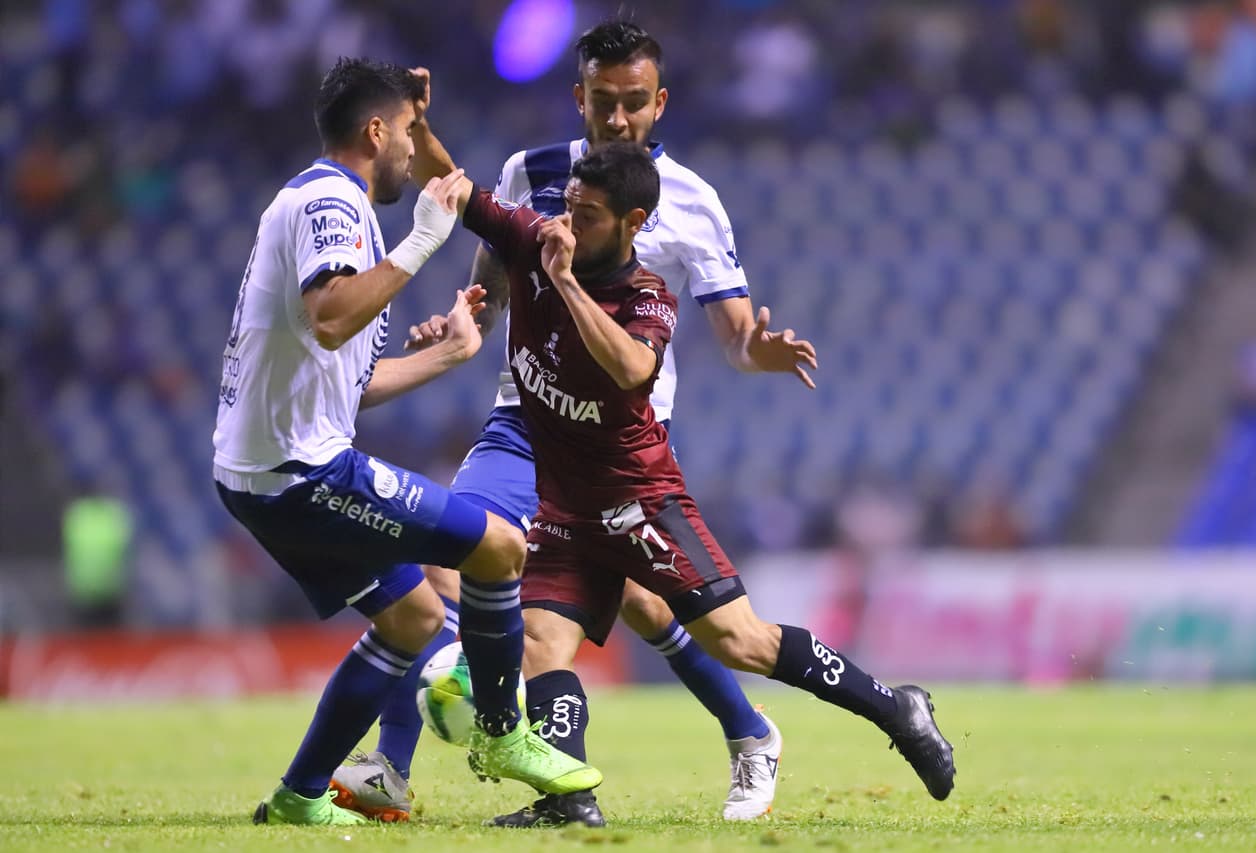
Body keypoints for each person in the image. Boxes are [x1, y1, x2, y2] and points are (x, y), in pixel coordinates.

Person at [335, 20, 817, 826]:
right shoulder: (531, 172)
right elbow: (488, 273)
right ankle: (392, 764)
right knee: (452, 552)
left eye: (635, 101)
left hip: (620, 447)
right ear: (579, 97)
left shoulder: (693, 200)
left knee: (648, 606)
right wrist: (464, 318)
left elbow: (735, 337)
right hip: (524, 421)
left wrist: (757, 351)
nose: (618, 117)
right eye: (603, 100)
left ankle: (749, 729)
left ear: (660, 102)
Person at [409, 131, 957, 825]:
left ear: (633, 223)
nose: (569, 225)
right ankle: (569, 798)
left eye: (588, 216)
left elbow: (632, 369)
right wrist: (413, 124)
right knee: (543, 643)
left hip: (640, 502)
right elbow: (456, 186)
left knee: (740, 641)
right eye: (568, 207)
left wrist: (565, 282)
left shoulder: (646, 298)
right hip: (565, 506)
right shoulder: (537, 236)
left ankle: (896, 706)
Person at [211, 57, 600, 826]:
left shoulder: (316, 200)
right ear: (375, 131)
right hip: (301, 472)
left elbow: (343, 379)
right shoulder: (332, 201)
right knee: (496, 547)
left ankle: (299, 795)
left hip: (264, 470)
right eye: (409, 132)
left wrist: (448, 354)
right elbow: (331, 316)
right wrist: (423, 240)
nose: (413, 150)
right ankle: (503, 732)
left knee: (414, 618)